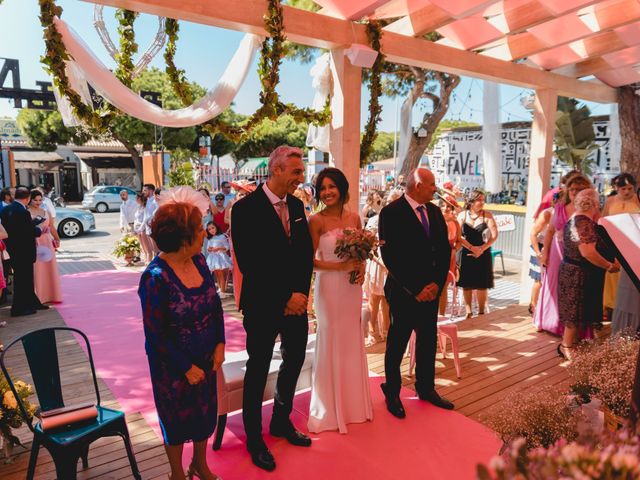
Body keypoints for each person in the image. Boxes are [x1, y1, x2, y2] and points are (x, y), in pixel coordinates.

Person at [231, 146, 314, 472]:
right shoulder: (245, 209)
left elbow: (304, 253)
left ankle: (281, 420)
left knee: (293, 361)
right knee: (259, 367)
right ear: (277, 170)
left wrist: (300, 294)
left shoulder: (296, 205)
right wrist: (285, 298)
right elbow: (252, 263)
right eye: (296, 172)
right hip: (263, 304)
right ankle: (254, 437)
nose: (301, 178)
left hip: (296, 303)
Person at [138, 187, 225, 480]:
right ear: (184, 238)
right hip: (172, 367)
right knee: (175, 423)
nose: (205, 233)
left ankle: (199, 464)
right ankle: (177, 473)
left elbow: (215, 307)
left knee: (204, 416)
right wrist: (185, 367)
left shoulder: (199, 261)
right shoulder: (155, 278)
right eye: (200, 229)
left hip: (206, 358)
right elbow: (155, 336)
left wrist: (220, 343)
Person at [378, 168, 453, 419]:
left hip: (431, 291)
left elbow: (443, 251)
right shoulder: (391, 212)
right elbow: (391, 256)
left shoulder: (434, 211)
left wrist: (436, 285)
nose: (435, 189)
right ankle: (392, 393)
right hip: (404, 291)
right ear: (418, 185)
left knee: (427, 340)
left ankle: (426, 388)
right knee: (397, 343)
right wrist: (416, 288)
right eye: (432, 185)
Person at [307, 168, 373, 434]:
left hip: (351, 289)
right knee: (331, 338)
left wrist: (361, 270)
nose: (327, 192)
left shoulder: (355, 217)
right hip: (329, 288)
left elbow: (362, 254)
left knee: (350, 339)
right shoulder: (316, 221)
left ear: (342, 188)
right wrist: (339, 268)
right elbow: (309, 262)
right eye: (322, 188)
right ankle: (329, 410)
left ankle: (353, 405)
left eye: (331, 187)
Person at [557, 189, 619, 360]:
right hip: (578, 273)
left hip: (573, 270)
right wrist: (608, 266)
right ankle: (566, 346)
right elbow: (587, 252)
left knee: (579, 310)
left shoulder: (577, 219)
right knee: (575, 311)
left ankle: (574, 342)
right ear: (595, 204)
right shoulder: (584, 223)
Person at [536, 173, 591, 335]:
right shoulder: (559, 207)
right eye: (572, 189)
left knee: (575, 290)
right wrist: (544, 253)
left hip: (578, 254)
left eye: (580, 189)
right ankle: (549, 322)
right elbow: (550, 231)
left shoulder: (590, 207)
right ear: (568, 190)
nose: (575, 192)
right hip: (556, 251)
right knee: (553, 286)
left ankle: (571, 330)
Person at [0, 187, 48, 316]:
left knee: (23, 279)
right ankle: (19, 308)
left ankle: (30, 303)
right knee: (23, 280)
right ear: (27, 199)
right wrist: (39, 228)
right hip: (24, 250)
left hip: (13, 249)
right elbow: (29, 231)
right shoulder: (22, 212)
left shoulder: (6, 209)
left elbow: (13, 228)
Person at [602, 174, 640, 319]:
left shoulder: (637, 199)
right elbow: (603, 221)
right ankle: (609, 307)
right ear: (616, 188)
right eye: (623, 188)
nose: (627, 192)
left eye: (630, 188)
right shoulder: (610, 201)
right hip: (613, 245)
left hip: (633, 246)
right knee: (611, 277)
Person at [456, 190, 498, 318]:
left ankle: (481, 312)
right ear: (471, 201)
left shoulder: (488, 215)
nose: (482, 202)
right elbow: (458, 236)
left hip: (483, 252)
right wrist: (471, 247)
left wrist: (481, 249)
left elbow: (495, 235)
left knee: (482, 284)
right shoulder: (462, 215)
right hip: (466, 251)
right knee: (466, 283)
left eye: (483, 199)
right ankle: (468, 311)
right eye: (479, 200)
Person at [28, 190, 62, 304]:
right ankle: (39, 298)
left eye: (40, 199)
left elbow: (52, 227)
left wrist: (57, 238)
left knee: (50, 268)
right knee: (38, 269)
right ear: (30, 200)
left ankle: (52, 295)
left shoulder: (46, 211)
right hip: (34, 242)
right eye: (35, 200)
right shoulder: (26, 212)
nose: (38, 202)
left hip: (47, 242)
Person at [437, 194, 462, 316]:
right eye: (444, 206)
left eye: (449, 207)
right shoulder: (435, 221)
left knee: (443, 288)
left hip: (449, 259)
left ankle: (441, 317)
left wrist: (454, 250)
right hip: (435, 258)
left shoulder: (456, 224)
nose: (446, 208)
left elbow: (459, 241)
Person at [528, 204, 552, 315]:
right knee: (539, 278)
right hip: (539, 246)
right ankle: (533, 306)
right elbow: (533, 234)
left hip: (551, 247)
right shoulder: (547, 213)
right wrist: (538, 252)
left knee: (547, 279)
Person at [204, 221, 232, 296]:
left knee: (221, 273)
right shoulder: (210, 238)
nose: (211, 230)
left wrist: (219, 248)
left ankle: (223, 291)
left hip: (221, 257)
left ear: (216, 227)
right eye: (209, 229)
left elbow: (227, 247)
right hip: (213, 258)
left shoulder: (222, 236)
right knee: (217, 274)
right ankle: (220, 288)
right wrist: (209, 249)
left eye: (213, 228)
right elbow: (208, 248)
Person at [133, 193, 153, 263]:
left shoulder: (145, 207)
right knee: (142, 246)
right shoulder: (138, 207)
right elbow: (136, 219)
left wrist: (140, 229)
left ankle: (149, 259)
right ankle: (145, 258)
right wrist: (135, 229)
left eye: (137, 198)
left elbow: (144, 219)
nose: (136, 200)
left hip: (143, 228)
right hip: (137, 228)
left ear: (141, 199)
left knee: (147, 246)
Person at [142, 183, 159, 258]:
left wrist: (150, 220)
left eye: (145, 190)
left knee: (156, 248)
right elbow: (145, 214)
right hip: (148, 227)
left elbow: (157, 211)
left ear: (151, 191)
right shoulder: (148, 200)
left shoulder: (155, 200)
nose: (143, 192)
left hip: (153, 226)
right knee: (152, 248)